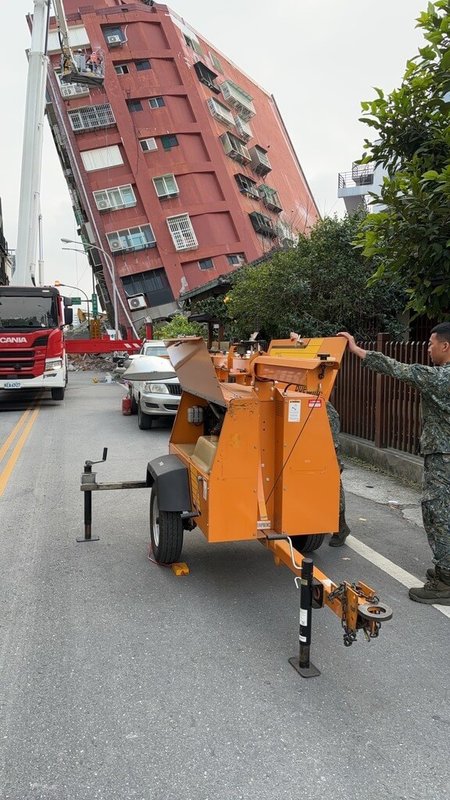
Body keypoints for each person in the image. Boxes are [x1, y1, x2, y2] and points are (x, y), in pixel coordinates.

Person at [338, 324, 450, 605]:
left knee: (438, 514)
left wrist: (355, 349)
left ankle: (445, 581)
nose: (428, 348)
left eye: (431, 343)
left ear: (445, 346)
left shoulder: (441, 379)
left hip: (443, 457)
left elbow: (397, 368)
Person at [289, 332, 351, 546]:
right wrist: (298, 341)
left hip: (322, 422)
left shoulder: (318, 386)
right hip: (308, 422)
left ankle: (340, 526)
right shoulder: (296, 376)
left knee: (330, 475)